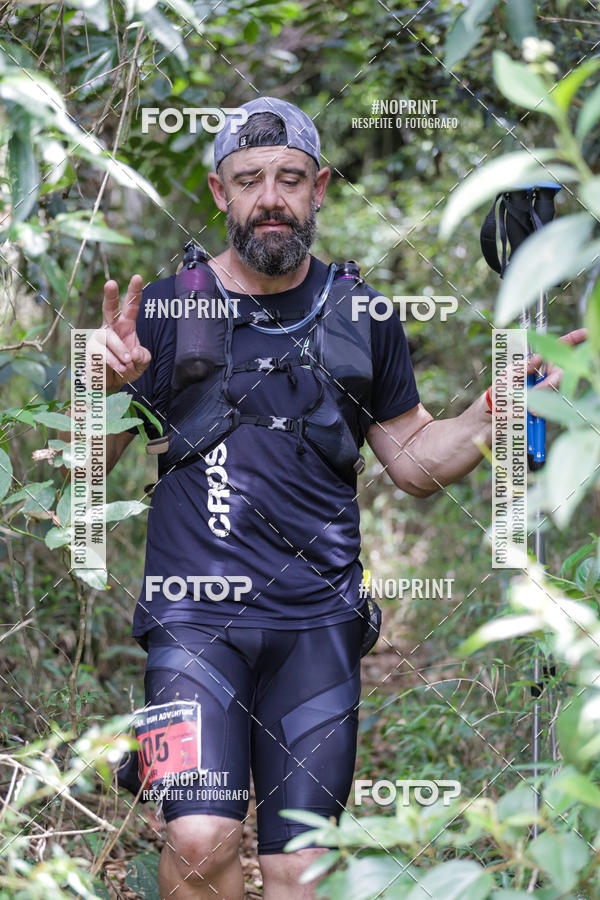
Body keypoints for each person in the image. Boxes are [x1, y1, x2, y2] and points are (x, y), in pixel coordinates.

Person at [98, 97, 585, 899]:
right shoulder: (164, 309)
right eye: (249, 180)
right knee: (196, 838)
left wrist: (494, 411)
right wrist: (99, 389)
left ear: (319, 187)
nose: (271, 198)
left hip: (318, 629)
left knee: (304, 868)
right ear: (220, 194)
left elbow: (416, 461)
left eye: (290, 178)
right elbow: (89, 469)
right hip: (189, 623)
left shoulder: (364, 314)